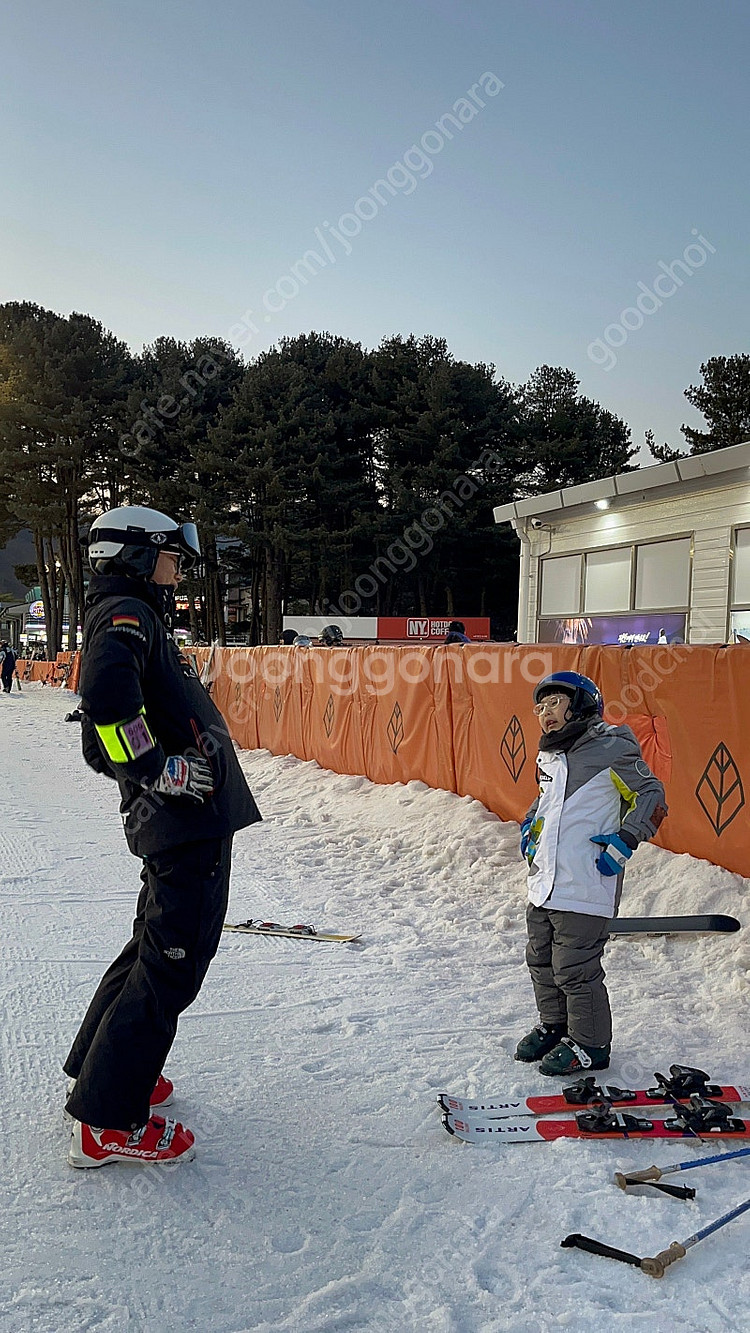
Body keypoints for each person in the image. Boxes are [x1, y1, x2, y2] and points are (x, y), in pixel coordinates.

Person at [64, 505, 262, 1168]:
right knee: (171, 965)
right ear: (138, 554)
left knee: (152, 946)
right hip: (184, 821)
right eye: (172, 552)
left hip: (183, 821)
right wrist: (160, 768)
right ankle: (107, 1119)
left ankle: (105, 1070)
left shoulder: (133, 610)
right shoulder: (126, 612)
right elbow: (108, 702)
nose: (180, 566)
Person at [515, 671, 667, 1076]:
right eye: (540, 706)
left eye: (554, 703)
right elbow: (548, 802)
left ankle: (591, 1043)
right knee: (541, 959)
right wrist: (530, 827)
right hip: (545, 880)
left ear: (581, 704)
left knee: (575, 966)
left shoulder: (610, 748)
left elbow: (652, 795)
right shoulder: (550, 755)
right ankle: (556, 1025)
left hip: (586, 880)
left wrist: (625, 840)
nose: (544, 712)